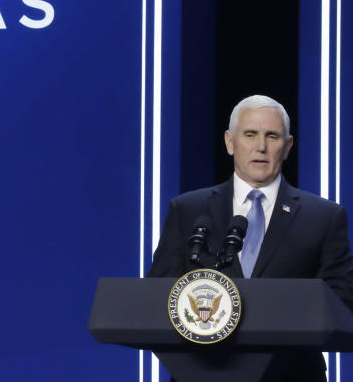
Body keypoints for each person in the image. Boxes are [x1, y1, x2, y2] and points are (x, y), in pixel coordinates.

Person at [148, 95, 353, 381]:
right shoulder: (188, 210)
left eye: (272, 136)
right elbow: (157, 295)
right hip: (202, 372)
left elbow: (341, 303)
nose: (261, 147)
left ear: (287, 146)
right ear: (230, 142)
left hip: (291, 374)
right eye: (250, 134)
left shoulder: (324, 217)